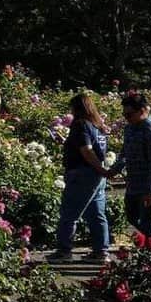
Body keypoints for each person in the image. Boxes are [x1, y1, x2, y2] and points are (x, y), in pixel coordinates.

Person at [48, 93, 110, 263]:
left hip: (82, 173)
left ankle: (64, 251)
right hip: (96, 176)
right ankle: (101, 252)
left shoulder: (80, 124)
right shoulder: (97, 126)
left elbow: (87, 150)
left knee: (69, 213)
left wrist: (99, 169)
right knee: (96, 214)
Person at [107, 92, 151, 241]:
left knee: (148, 223)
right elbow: (124, 153)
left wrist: (150, 191)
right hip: (134, 182)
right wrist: (113, 170)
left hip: (150, 184)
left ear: (142, 111)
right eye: (124, 115)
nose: (126, 118)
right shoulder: (130, 128)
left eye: (129, 114)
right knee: (131, 215)